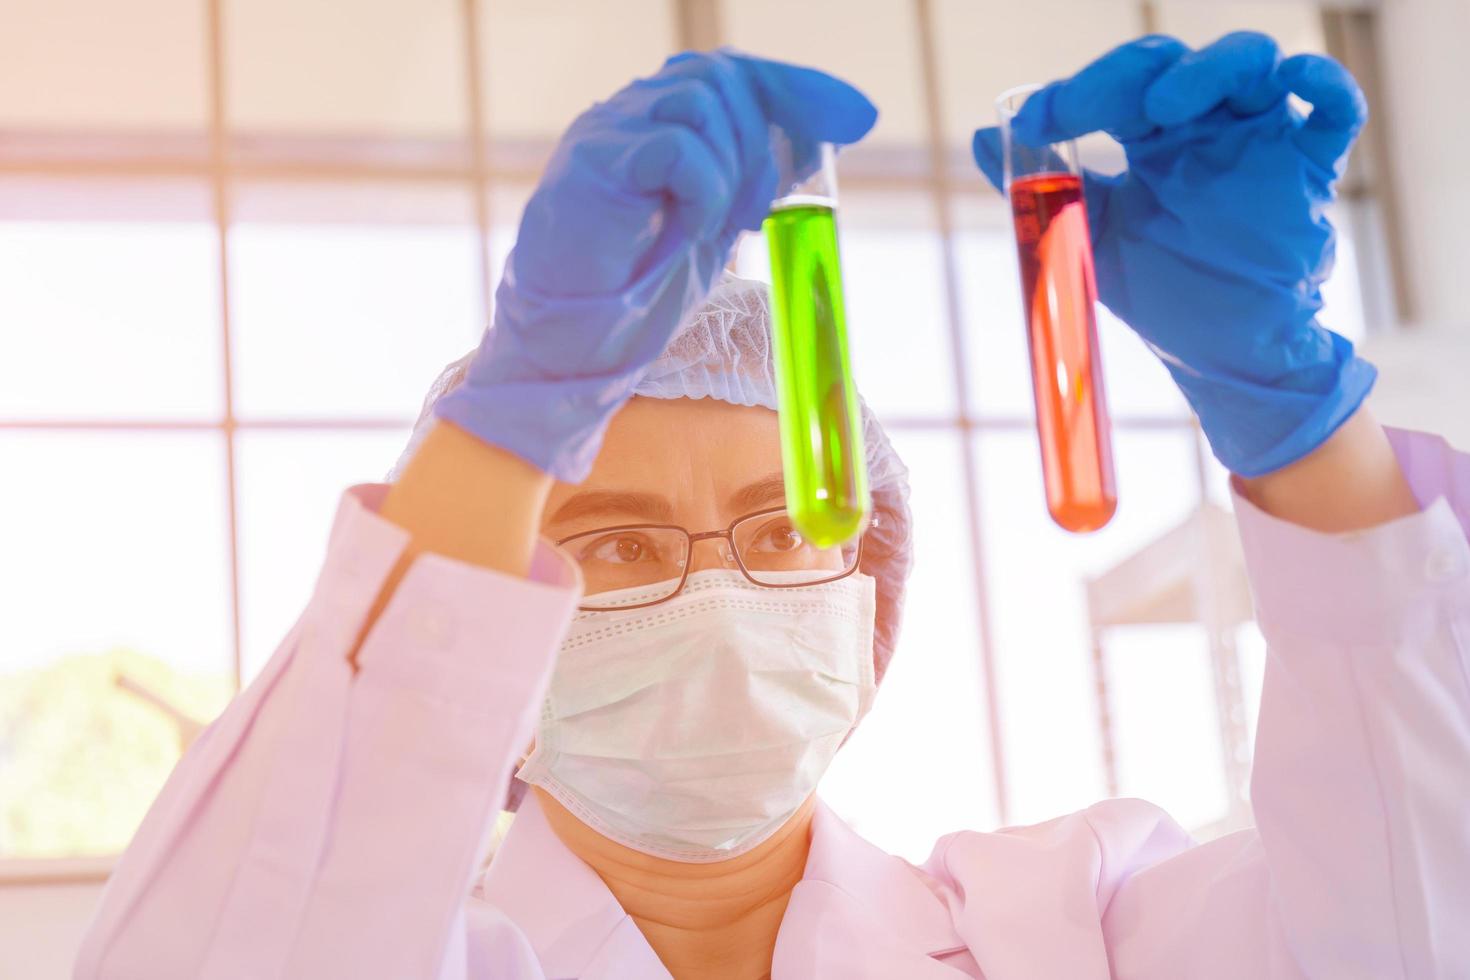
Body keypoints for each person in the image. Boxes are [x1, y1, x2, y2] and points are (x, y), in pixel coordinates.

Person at [76, 34, 1469, 980]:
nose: (722, 598)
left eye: (780, 528)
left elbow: (1416, 919)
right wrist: (502, 428)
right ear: (499, 637)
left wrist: (1300, 427)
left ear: (870, 602)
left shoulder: (1064, 926)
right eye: (616, 544)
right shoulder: (399, 942)